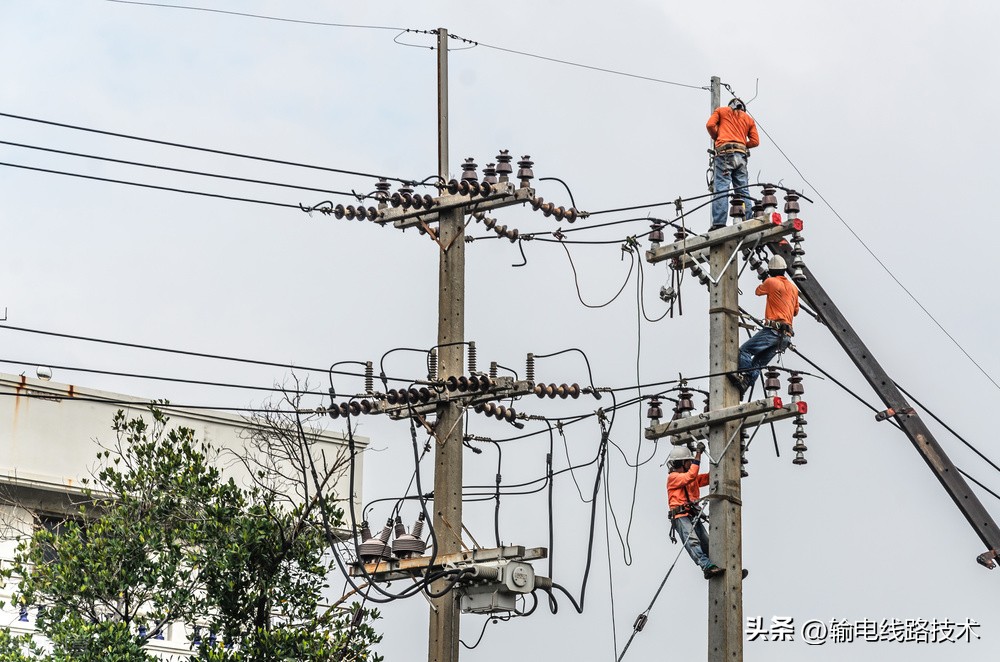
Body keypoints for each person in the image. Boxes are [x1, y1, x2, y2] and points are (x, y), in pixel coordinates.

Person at [730, 255, 799, 395]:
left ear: (771, 271)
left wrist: (767, 280)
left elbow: (758, 291)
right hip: (786, 337)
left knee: (744, 351)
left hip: (773, 331)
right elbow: (796, 311)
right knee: (758, 364)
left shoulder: (771, 282)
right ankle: (745, 384)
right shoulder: (793, 288)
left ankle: (743, 377)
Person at [666, 442, 723, 579]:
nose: (691, 464)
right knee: (692, 541)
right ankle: (706, 566)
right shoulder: (673, 478)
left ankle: (720, 567)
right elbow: (690, 476)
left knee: (706, 542)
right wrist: (698, 454)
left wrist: (719, 465)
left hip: (691, 514)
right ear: (681, 463)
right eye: (688, 461)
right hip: (681, 516)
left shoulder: (689, 478)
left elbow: (706, 478)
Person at [706, 98, 760, 229]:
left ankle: (719, 223)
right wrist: (741, 144)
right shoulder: (748, 119)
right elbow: (755, 141)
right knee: (743, 191)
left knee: (722, 189)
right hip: (741, 156)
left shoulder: (721, 111)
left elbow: (710, 125)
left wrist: (717, 137)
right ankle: (748, 220)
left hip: (724, 154)